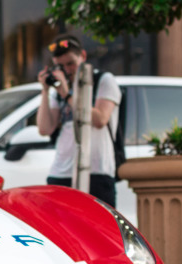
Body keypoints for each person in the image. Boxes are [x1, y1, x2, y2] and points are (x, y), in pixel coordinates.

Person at [35, 34, 121, 205]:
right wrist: (45, 90)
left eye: (71, 63)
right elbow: (45, 128)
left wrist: (67, 94)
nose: (67, 70)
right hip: (62, 171)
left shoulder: (103, 81)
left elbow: (100, 119)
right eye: (61, 65)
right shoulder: (60, 90)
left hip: (96, 170)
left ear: (83, 56)